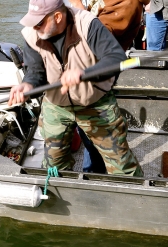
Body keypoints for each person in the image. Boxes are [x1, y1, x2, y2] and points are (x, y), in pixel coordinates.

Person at [8, 0, 143, 176]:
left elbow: (116, 58)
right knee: (53, 165)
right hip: (56, 105)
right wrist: (27, 84)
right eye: (31, 23)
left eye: (39, 23)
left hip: (95, 102)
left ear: (57, 17)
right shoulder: (31, 35)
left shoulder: (88, 24)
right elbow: (35, 71)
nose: (34, 28)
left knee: (121, 163)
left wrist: (84, 73)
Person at [69, 0, 149, 173]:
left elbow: (96, 36)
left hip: (99, 73)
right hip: (90, 69)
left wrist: (77, 5)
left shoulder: (128, 4)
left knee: (95, 125)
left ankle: (97, 169)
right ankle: (95, 164)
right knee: (87, 124)